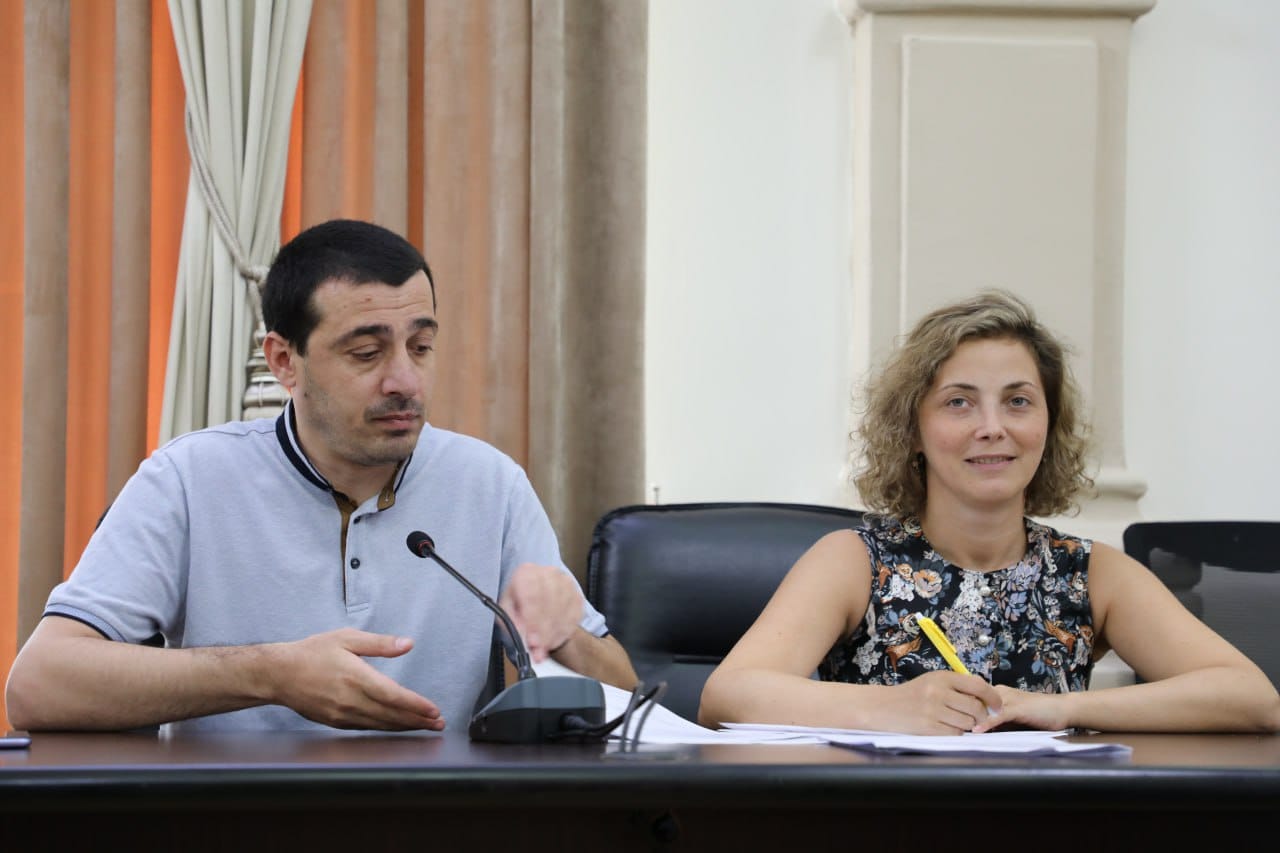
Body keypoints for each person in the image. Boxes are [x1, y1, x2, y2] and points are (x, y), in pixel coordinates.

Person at [5, 219, 637, 733]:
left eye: (421, 347)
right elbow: (38, 686)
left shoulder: (489, 484)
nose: (405, 381)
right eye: (366, 353)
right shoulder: (189, 479)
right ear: (285, 361)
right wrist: (271, 675)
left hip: (431, 818)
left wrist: (562, 636)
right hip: (231, 822)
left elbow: (629, 704)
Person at [699, 290, 1280, 735]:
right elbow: (727, 696)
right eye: (959, 402)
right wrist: (891, 706)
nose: (992, 427)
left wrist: (1063, 709)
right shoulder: (854, 560)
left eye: (1018, 401)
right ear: (914, 430)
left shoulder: (1091, 572)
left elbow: (1253, 698)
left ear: (1048, 425)